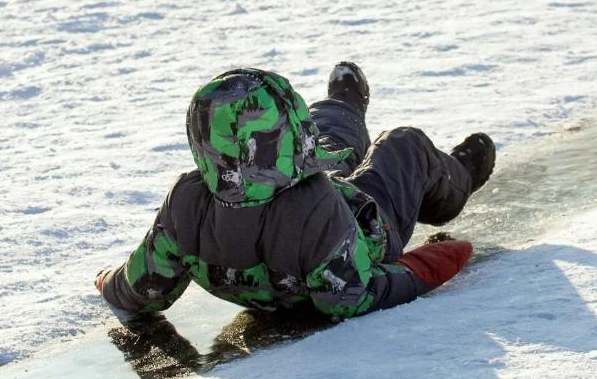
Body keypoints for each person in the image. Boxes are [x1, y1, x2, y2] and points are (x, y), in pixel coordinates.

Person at [94, 63, 495, 321]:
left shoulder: (187, 201)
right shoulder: (313, 209)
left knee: (327, 148)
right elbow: (352, 296)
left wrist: (108, 282)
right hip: (366, 226)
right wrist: (427, 264)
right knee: (403, 147)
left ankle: (341, 105)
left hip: (303, 207)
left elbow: (143, 287)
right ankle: (458, 175)